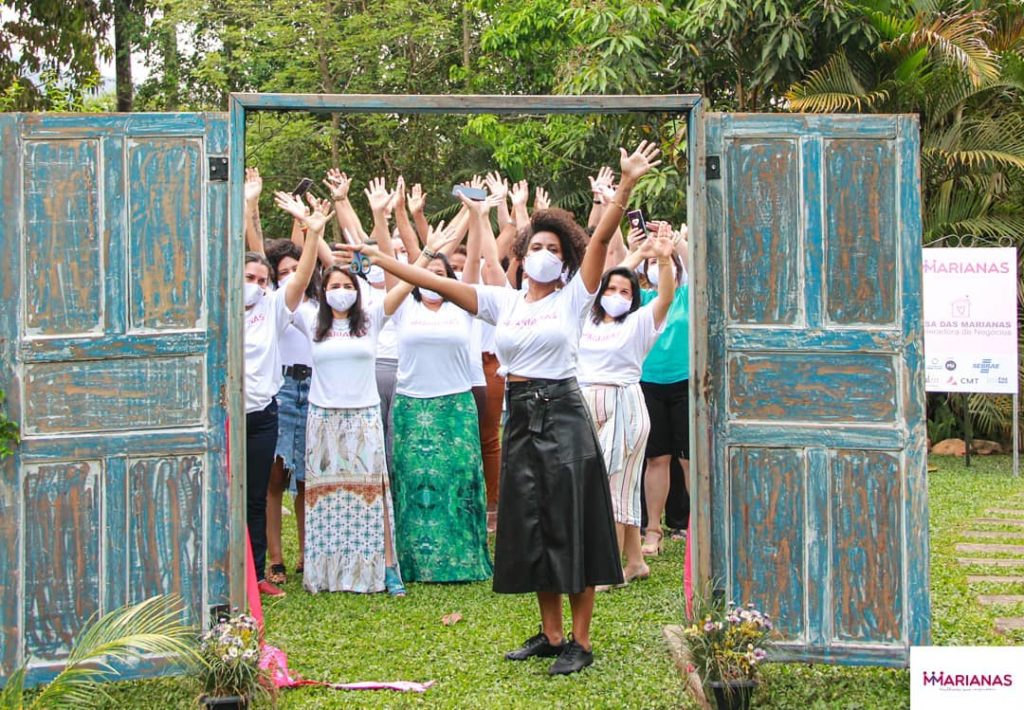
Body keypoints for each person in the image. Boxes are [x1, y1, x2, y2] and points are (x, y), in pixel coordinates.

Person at [344, 141, 661, 675]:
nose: (543, 253)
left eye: (553, 249)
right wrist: (384, 259)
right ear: (521, 252)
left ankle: (579, 642)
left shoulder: (576, 295)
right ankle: (551, 632)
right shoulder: (503, 301)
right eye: (535, 245)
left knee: (572, 526)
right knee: (532, 524)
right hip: (520, 415)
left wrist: (625, 185)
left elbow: (604, 235)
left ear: (565, 259)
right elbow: (436, 281)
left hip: (563, 413)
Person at [276, 181, 414, 596]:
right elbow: (295, 286)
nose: (340, 291)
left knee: (373, 495)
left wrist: (408, 245)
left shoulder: (371, 317)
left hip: (363, 417)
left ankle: (385, 568)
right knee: (326, 497)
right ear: (324, 291)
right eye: (333, 285)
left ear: (357, 292)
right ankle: (328, 572)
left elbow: (397, 283)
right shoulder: (310, 316)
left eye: (346, 286)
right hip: (323, 418)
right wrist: (312, 232)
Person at [388, 215, 493, 583]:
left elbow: (477, 256)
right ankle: (414, 563)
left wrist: (476, 216)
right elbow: (392, 262)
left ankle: (463, 561)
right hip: (412, 407)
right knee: (414, 483)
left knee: (461, 483)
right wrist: (423, 254)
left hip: (455, 406)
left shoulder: (462, 307)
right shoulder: (404, 306)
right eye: (427, 272)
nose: (433, 279)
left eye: (441, 273)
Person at [577, 226, 676, 590]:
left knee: (615, 485)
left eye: (626, 291)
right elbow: (600, 279)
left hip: (625, 404)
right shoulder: (586, 319)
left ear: (634, 297)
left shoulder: (638, 323)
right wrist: (632, 257)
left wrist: (663, 258)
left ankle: (609, 570)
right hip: (586, 404)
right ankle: (635, 562)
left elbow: (665, 298)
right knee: (610, 483)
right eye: (611, 290)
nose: (617, 295)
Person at [241, 172, 323, 598]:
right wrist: (249, 206)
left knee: (257, 495)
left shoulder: (273, 308)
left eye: (260, 279)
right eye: (248, 278)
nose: (254, 285)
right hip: (228, 415)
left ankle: (256, 575)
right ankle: (232, 572)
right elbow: (244, 247)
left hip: (264, 413)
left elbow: (303, 274)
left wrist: (313, 233)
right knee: (233, 496)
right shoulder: (222, 305)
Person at [621, 224, 690, 557]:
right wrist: (637, 250)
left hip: (686, 384)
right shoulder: (643, 300)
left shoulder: (688, 296)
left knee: (690, 461)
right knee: (656, 459)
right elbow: (614, 278)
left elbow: (697, 269)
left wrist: (678, 245)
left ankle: (698, 530)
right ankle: (653, 531)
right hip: (649, 385)